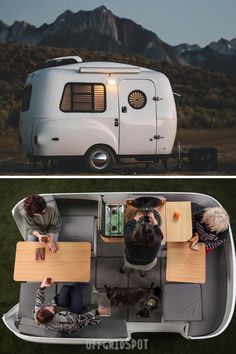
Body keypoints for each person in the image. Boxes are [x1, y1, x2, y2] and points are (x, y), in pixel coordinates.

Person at [34, 277, 109, 334]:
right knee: (77, 289)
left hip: (61, 310)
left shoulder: (38, 315)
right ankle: (79, 287)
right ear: (53, 317)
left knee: (65, 288)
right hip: (74, 315)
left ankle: (75, 292)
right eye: (52, 310)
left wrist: (43, 286)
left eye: (48, 307)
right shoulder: (63, 323)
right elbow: (79, 318)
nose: (51, 307)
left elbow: (39, 300)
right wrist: (96, 312)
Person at [121, 210, 163, 277]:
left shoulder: (129, 239)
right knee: (145, 267)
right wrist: (153, 218)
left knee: (128, 260)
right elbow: (159, 232)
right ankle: (142, 272)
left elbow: (128, 227)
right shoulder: (157, 241)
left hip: (130, 262)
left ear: (137, 234)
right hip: (148, 264)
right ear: (153, 235)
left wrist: (137, 216)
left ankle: (124, 269)